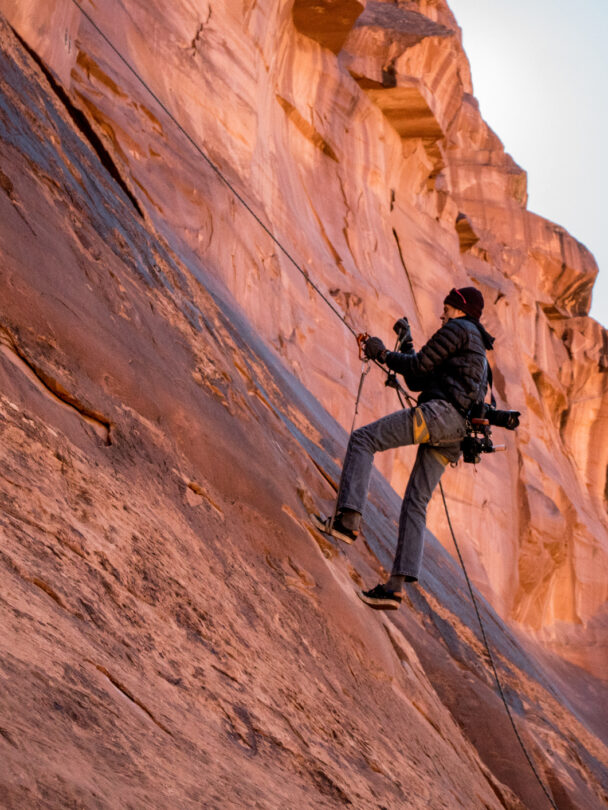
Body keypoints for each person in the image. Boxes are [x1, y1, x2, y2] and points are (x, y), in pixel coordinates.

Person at [316, 286, 495, 610]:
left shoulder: (458, 329)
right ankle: (395, 588)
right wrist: (406, 342)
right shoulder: (479, 350)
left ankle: (347, 523)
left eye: (446, 308)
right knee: (416, 501)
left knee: (363, 440)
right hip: (456, 436)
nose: (441, 314)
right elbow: (419, 379)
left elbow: (415, 369)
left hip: (439, 416)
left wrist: (381, 352)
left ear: (459, 308)